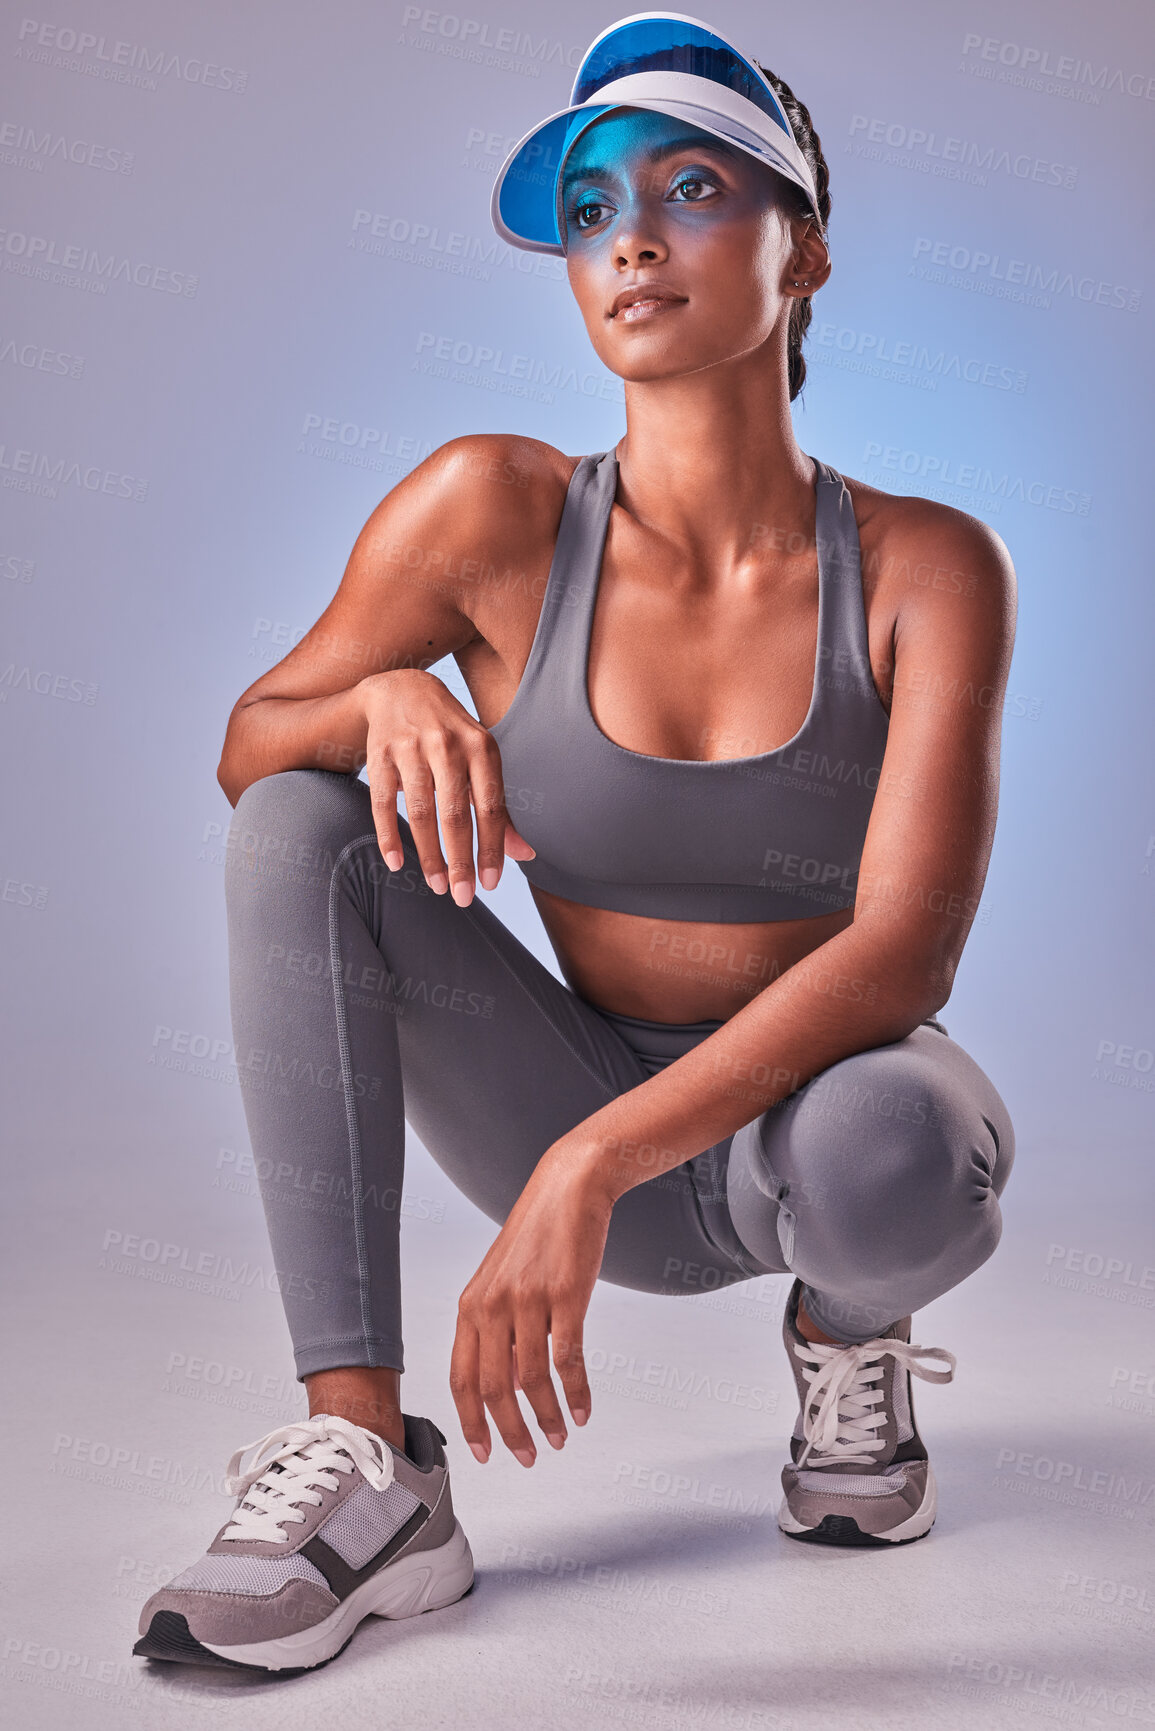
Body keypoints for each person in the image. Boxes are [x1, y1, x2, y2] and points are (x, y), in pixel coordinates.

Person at [134, 14, 1017, 1676]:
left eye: (693, 189)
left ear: (805, 250)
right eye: (596, 208)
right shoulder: (491, 509)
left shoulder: (925, 568)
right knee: (300, 823)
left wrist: (593, 1166)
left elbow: (906, 949)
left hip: (790, 1142)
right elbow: (254, 747)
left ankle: (848, 1336)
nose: (633, 239)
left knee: (909, 1142)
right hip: (548, 1078)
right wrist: (381, 695)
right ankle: (370, 1469)